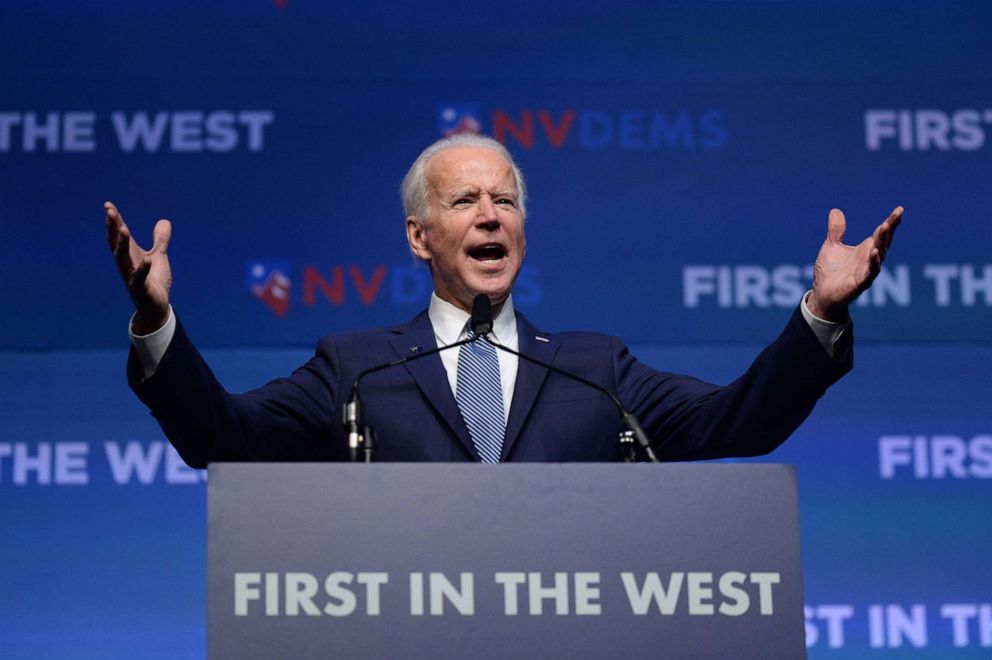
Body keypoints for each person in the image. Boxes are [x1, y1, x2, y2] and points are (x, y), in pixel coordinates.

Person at [106, 134, 902, 466]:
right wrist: (155, 324)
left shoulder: (598, 371)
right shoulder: (355, 369)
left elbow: (743, 421)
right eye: (465, 203)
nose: (491, 215)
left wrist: (821, 314)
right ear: (419, 238)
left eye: (505, 201)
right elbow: (224, 437)